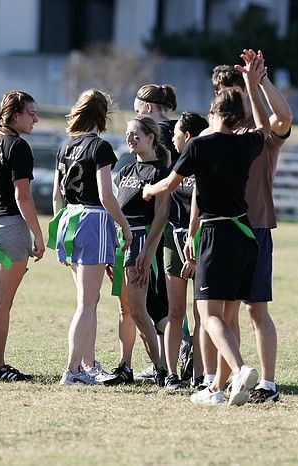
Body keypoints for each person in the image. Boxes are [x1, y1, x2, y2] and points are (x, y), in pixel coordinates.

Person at [142, 52, 267, 406]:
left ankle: (241, 369)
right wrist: (254, 91)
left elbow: (169, 184)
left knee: (208, 315)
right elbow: (261, 126)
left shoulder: (200, 144)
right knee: (227, 317)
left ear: (214, 113)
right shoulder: (247, 143)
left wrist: (149, 190)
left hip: (215, 235)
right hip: (244, 235)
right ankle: (216, 390)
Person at [207, 50, 293, 403]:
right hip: (223, 229)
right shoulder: (218, 134)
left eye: (238, 90)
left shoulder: (262, 135)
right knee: (225, 313)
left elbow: (284, 116)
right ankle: (226, 380)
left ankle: (267, 384)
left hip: (254, 229)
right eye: (225, 92)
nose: (232, 97)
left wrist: (261, 82)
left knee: (256, 309)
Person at [50, 89, 132, 385]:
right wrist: (123, 224)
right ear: (103, 114)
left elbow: (57, 195)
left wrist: (59, 228)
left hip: (69, 219)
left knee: (89, 299)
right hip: (93, 219)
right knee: (86, 302)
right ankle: (72, 370)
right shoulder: (100, 147)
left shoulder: (66, 145)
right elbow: (106, 196)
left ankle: (87, 364)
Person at [0, 90, 45, 382]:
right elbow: (23, 195)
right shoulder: (17, 145)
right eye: (31, 113)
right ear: (15, 114)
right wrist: (37, 234)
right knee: (2, 301)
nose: (36, 119)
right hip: (7, 228)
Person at [103, 116, 170, 387]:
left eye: (136, 134)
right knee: (125, 310)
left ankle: (162, 368)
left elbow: (161, 217)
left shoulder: (160, 173)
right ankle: (125, 366)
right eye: (128, 135)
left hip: (140, 242)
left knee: (140, 311)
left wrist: (148, 252)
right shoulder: (126, 171)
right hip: (122, 242)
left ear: (151, 137)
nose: (130, 139)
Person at [129, 84, 178, 381]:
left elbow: (165, 180)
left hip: (157, 224)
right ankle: (166, 357)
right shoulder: (180, 128)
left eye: (137, 109)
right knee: (159, 296)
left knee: (154, 295)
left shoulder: (158, 136)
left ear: (147, 107)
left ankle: (177, 352)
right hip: (178, 219)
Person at [159, 111, 210, 389]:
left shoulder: (206, 163)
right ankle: (171, 374)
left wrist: (194, 246)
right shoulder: (174, 165)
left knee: (202, 314)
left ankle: (200, 376)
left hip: (201, 243)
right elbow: (165, 208)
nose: (173, 137)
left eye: (176, 132)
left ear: (187, 135)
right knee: (175, 312)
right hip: (174, 241)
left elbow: (202, 210)